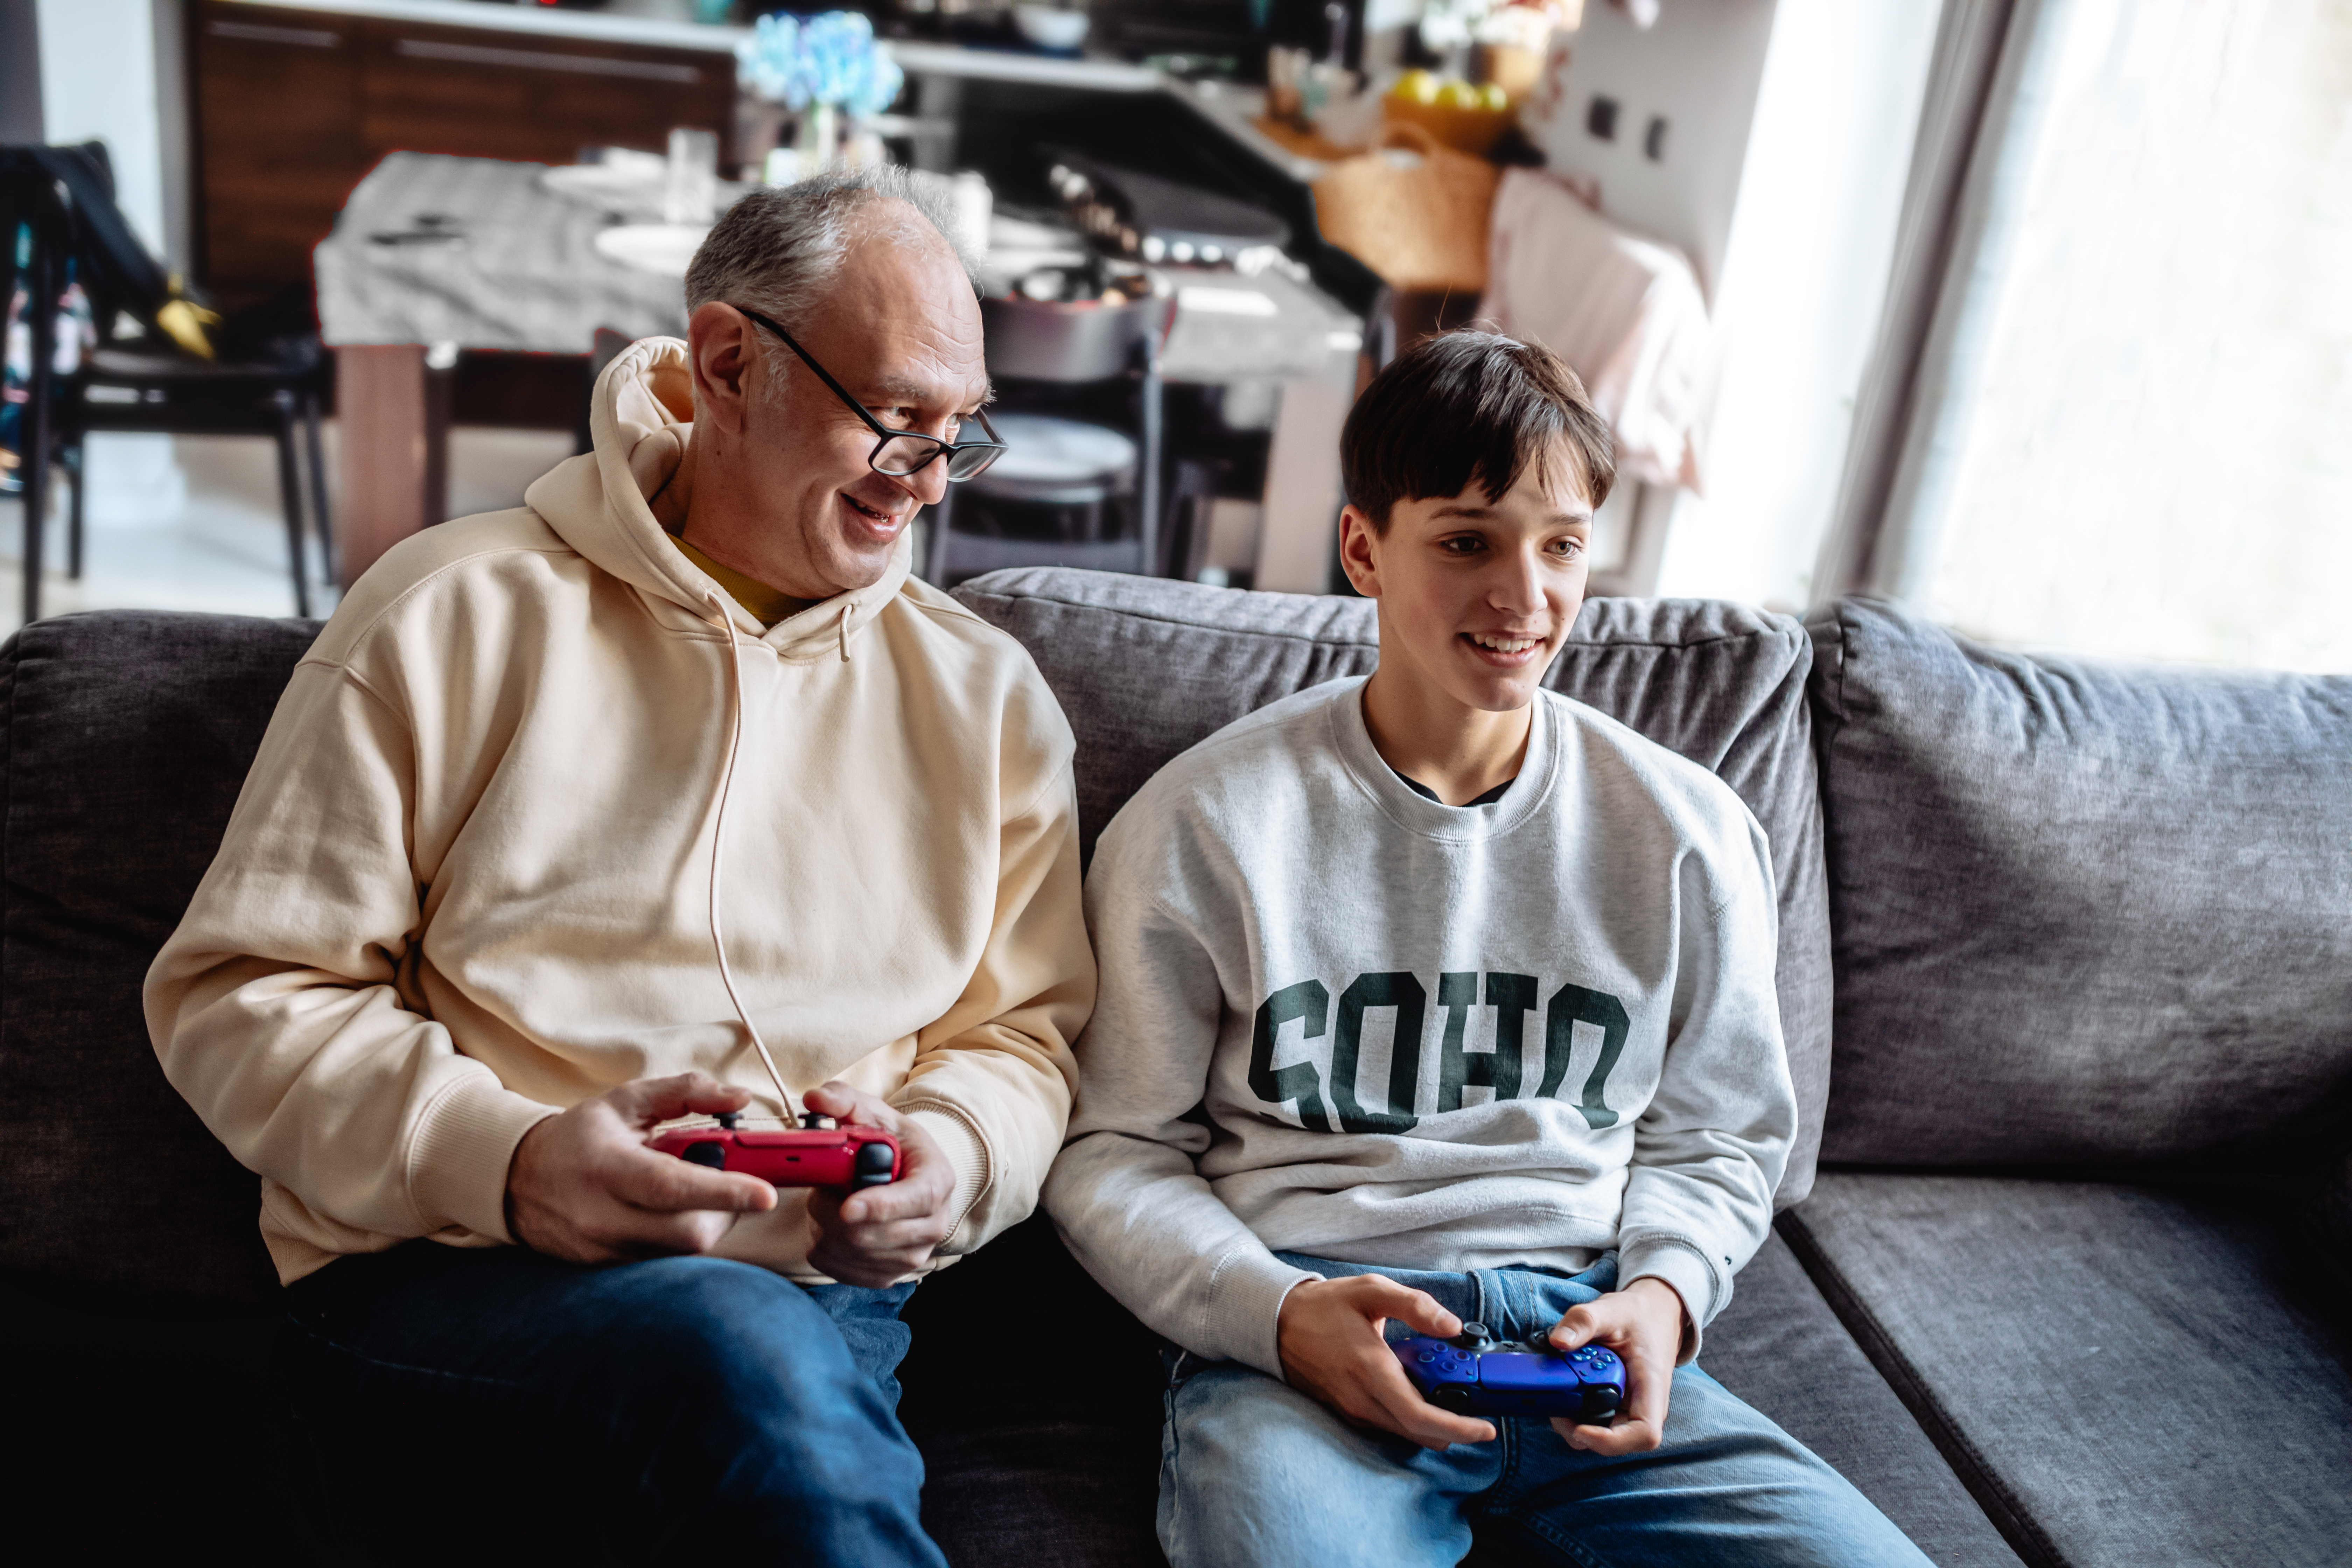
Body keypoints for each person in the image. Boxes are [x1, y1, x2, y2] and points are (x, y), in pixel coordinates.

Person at [144, 171, 1093, 1560]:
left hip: (814, 1308)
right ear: (727, 363)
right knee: (744, 1360)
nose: (927, 479)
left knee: (759, 1362)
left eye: (959, 435)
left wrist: (953, 1154)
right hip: (450, 1272)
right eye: (895, 418)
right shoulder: (452, 611)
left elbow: (1023, 1034)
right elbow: (240, 996)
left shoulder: (987, 700)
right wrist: (512, 1157)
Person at [1042, 330, 1932, 1567]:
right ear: (1364, 548)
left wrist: (1664, 1299)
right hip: (1313, 1340)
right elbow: (1110, 1152)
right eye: (1468, 540)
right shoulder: (1207, 828)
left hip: (1584, 1335)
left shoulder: (1687, 832)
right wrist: (1282, 1315)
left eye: (1561, 544)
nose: (1527, 597)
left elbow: (1721, 1133)